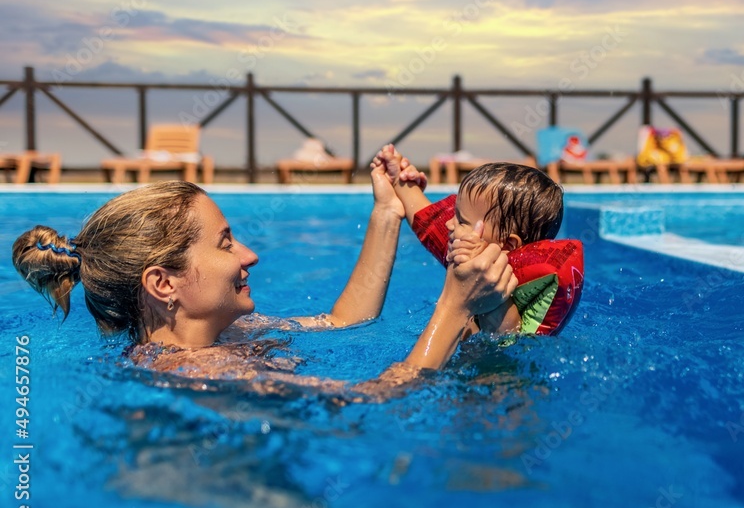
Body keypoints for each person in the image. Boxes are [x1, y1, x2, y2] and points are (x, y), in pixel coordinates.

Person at [11, 164, 517, 386]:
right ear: (163, 284)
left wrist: (387, 213)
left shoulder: (226, 335)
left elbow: (343, 321)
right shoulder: (199, 373)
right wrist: (454, 307)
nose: (249, 255)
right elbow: (383, 403)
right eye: (225, 242)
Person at [372, 144, 584, 338]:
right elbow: (428, 220)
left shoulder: (506, 291)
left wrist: (485, 277)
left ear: (508, 245)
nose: (449, 225)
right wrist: (398, 178)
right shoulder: (467, 250)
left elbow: (507, 336)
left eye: (462, 221)